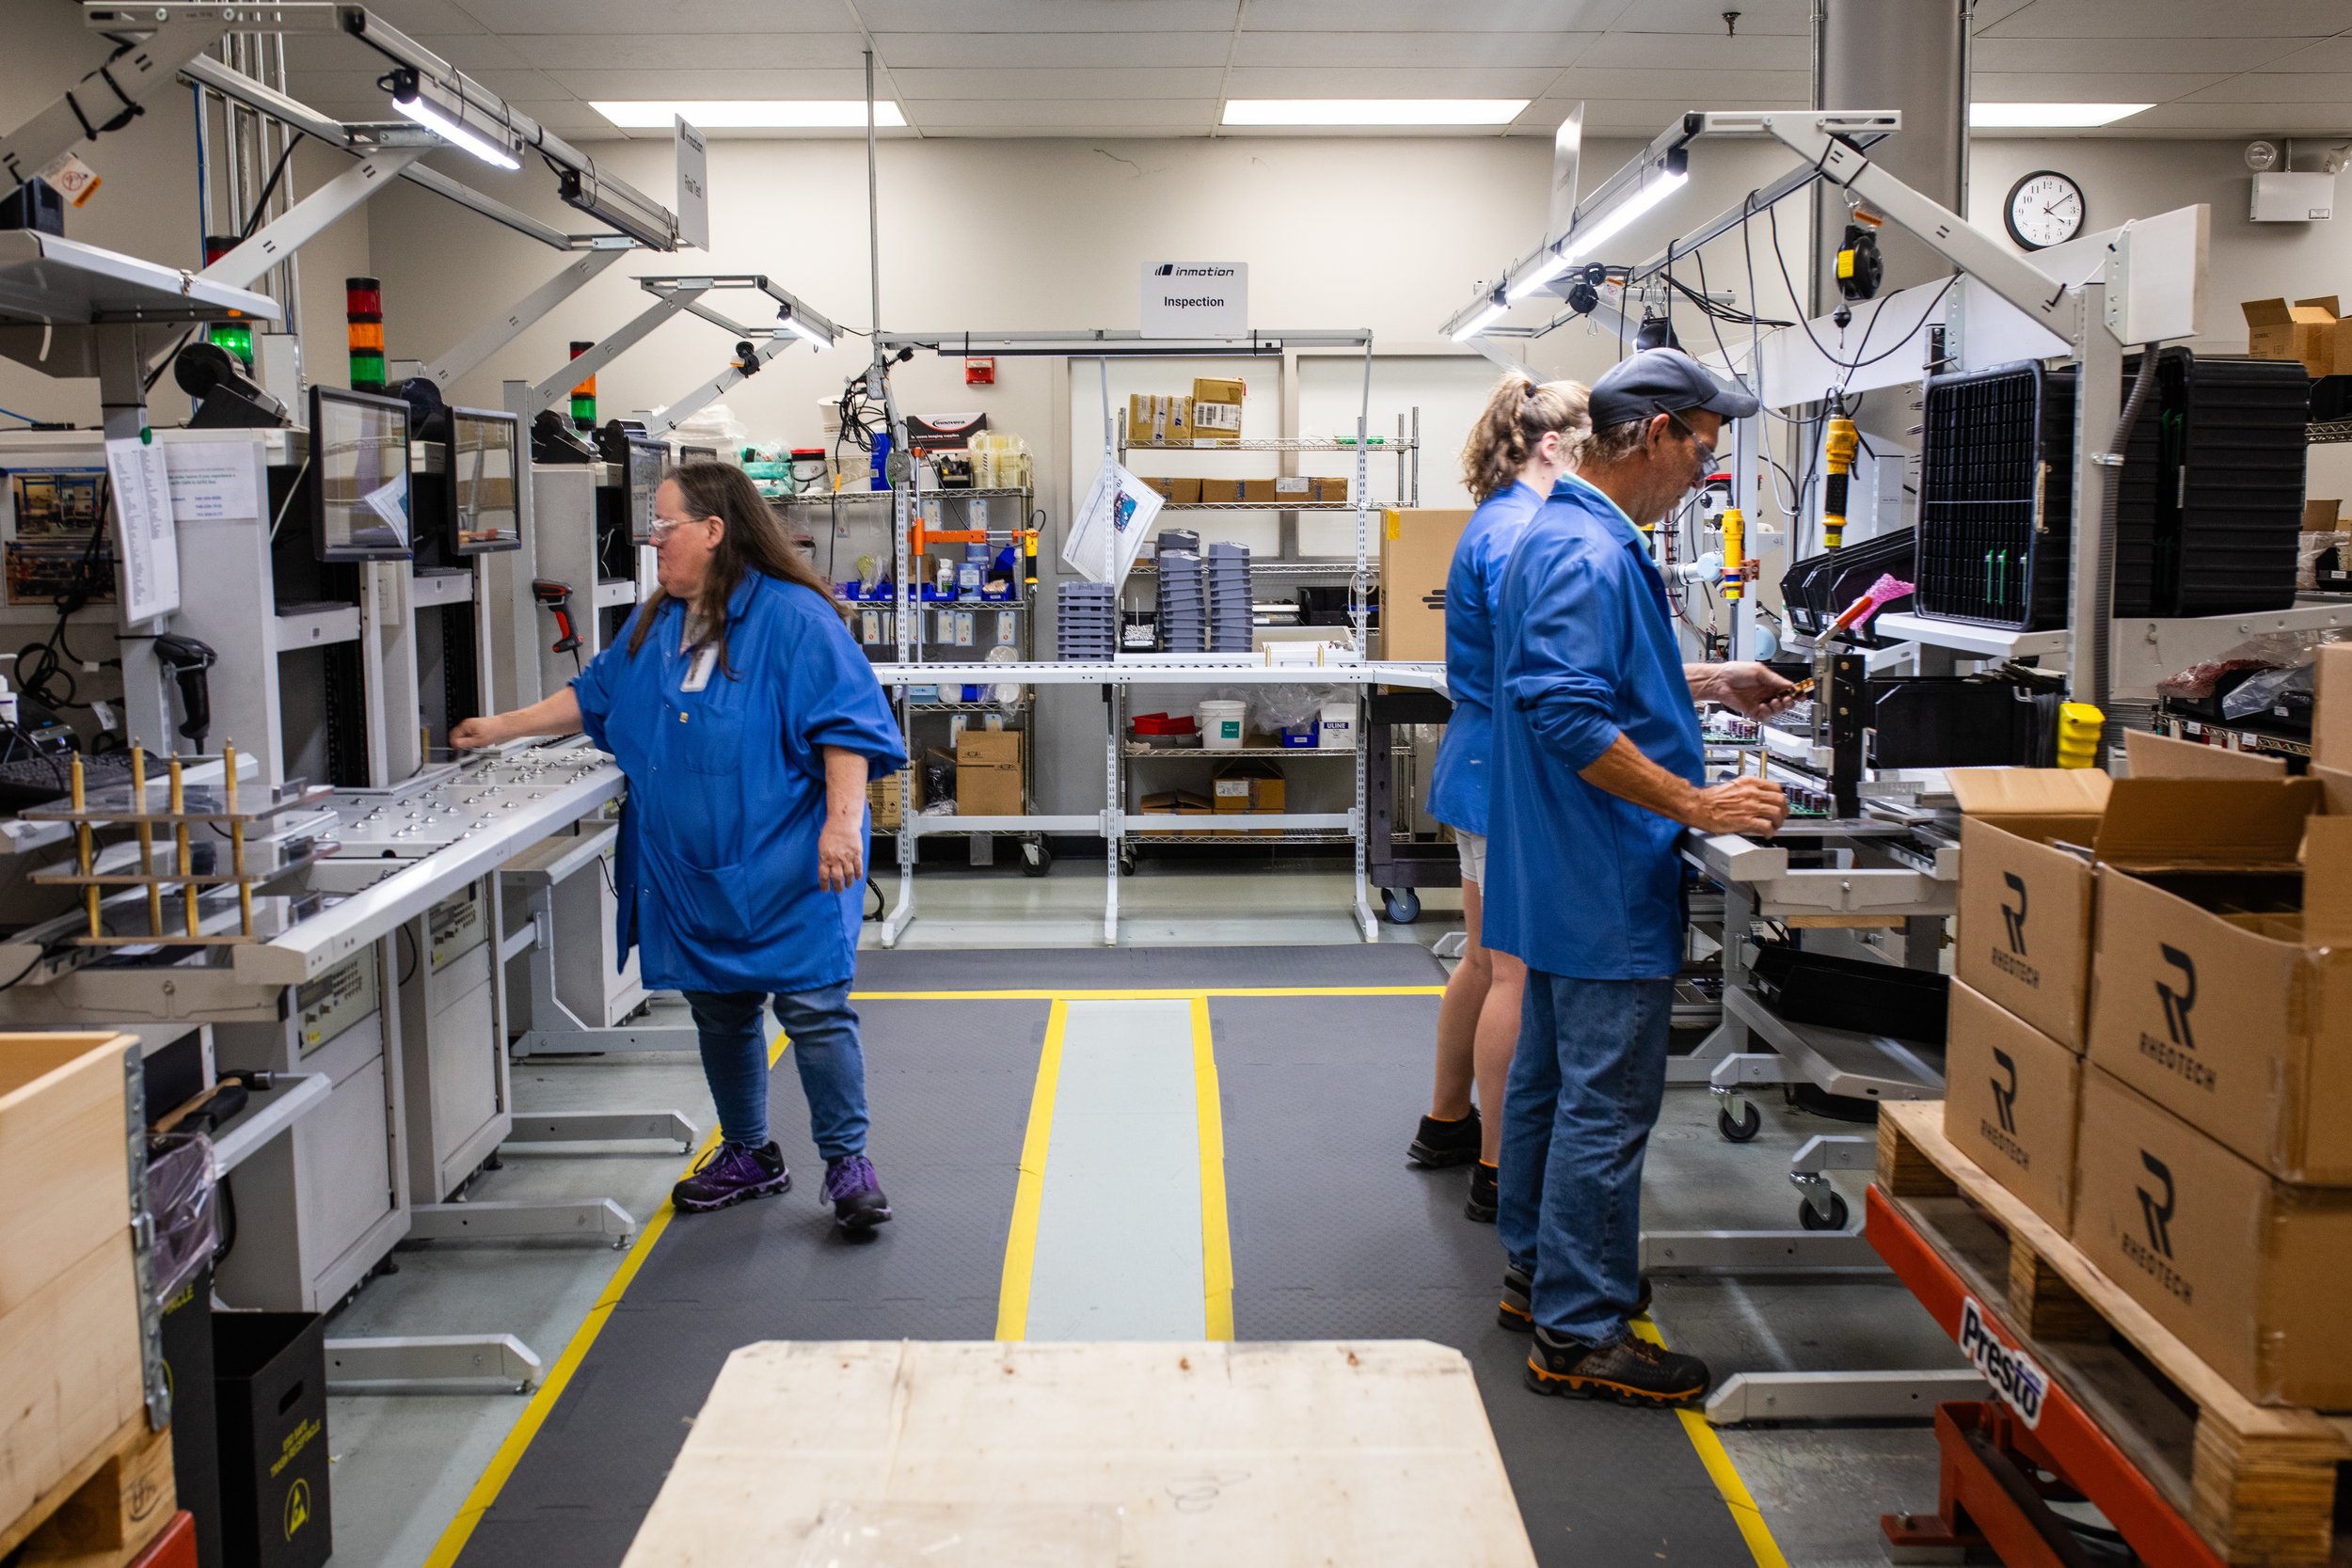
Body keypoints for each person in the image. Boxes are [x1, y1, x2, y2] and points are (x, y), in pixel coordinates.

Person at [453, 461, 907, 1230]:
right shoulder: (658, 623)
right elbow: (592, 696)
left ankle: (847, 1163)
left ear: (714, 530)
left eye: (664, 527)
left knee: (814, 1010)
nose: (652, 542)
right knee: (720, 1011)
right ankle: (750, 1152)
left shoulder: (795, 618)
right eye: (653, 529)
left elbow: (847, 728)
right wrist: (495, 728)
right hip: (692, 870)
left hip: (787, 861)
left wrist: (840, 822)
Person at [1483, 349, 1797, 1406]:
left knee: (1551, 1081)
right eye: (1703, 449)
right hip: (1601, 868)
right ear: (1655, 434)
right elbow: (1568, 714)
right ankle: (1578, 1331)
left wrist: (1704, 677)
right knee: (1606, 1106)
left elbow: (1598, 678)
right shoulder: (1588, 553)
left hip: (1558, 864)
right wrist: (1700, 805)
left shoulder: (1564, 535)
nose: (1704, 473)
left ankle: (1543, 1276)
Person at [1409, 373, 1591, 1225]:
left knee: (1483, 961)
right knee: (1514, 971)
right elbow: (1546, 677)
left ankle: (1447, 1124)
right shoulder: (1526, 533)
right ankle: (1498, 1167)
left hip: (1478, 761)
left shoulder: (1496, 521)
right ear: (1553, 446)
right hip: (1506, 768)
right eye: (1590, 447)